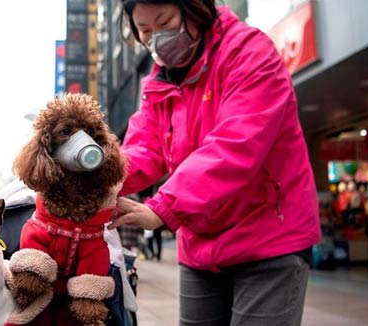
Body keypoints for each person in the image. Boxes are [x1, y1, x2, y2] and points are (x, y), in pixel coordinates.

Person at [108, 1, 322, 325]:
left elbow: (235, 145)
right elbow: (143, 148)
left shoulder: (249, 51)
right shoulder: (159, 80)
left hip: (268, 240)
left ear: (194, 9)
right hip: (201, 248)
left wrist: (163, 207)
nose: (157, 39)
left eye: (165, 22)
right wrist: (95, 182)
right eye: (146, 31)